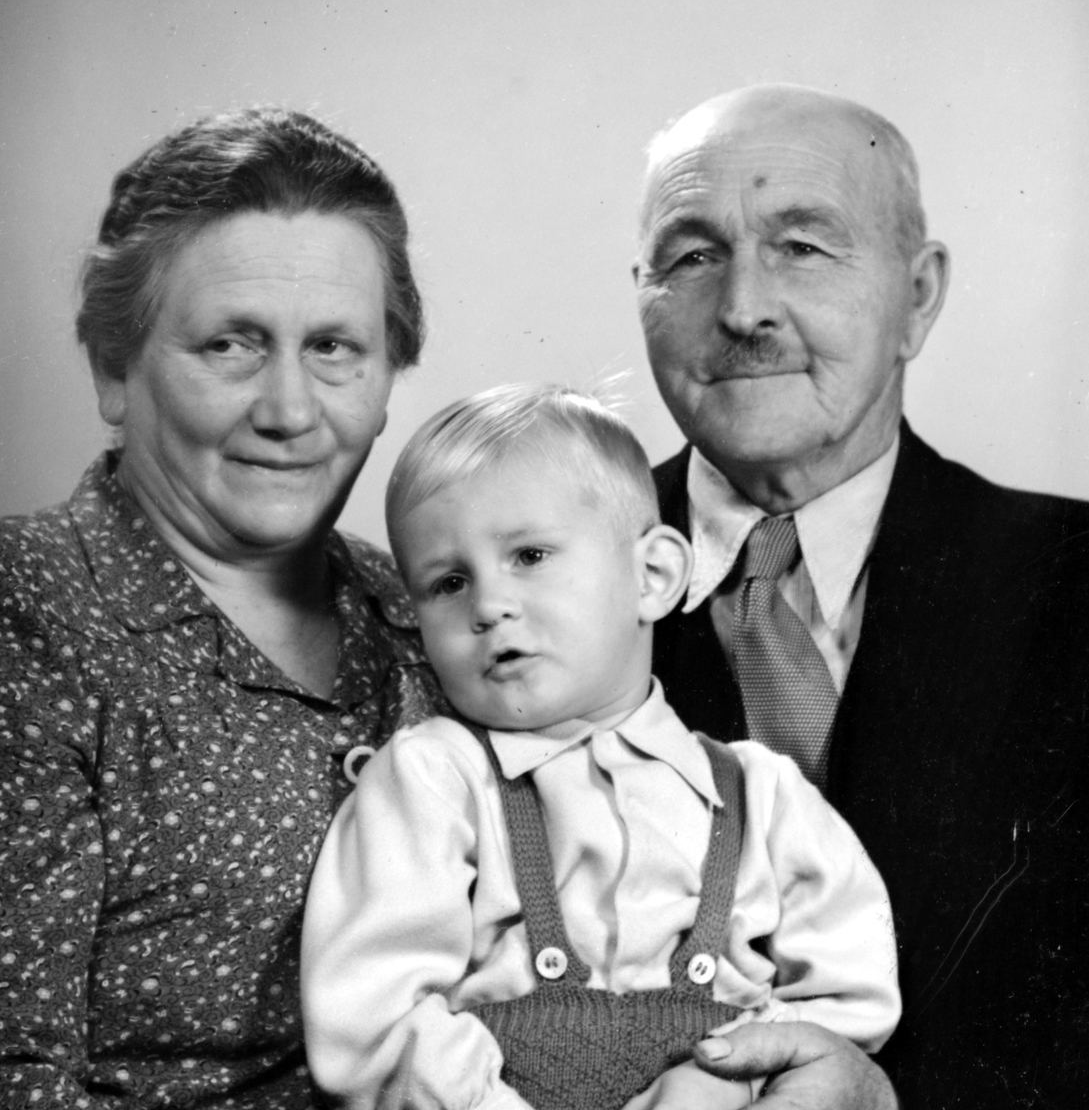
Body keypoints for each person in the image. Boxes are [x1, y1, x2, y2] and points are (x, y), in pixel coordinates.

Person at [634, 84, 1089, 1107]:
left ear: (917, 296)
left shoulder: (1074, 580)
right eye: (692, 255)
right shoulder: (521, 584)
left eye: (802, 247)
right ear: (641, 292)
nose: (742, 309)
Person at [0, 108, 446, 1108]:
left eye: (334, 347)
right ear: (113, 368)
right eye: (230, 345)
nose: (289, 411)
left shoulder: (426, 609)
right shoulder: (28, 611)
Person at [300, 384, 901, 1110]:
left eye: (529, 555)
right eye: (449, 582)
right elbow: (370, 1020)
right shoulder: (431, 779)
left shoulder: (764, 796)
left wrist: (736, 1071)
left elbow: (852, 998)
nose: (488, 605)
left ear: (652, 577)